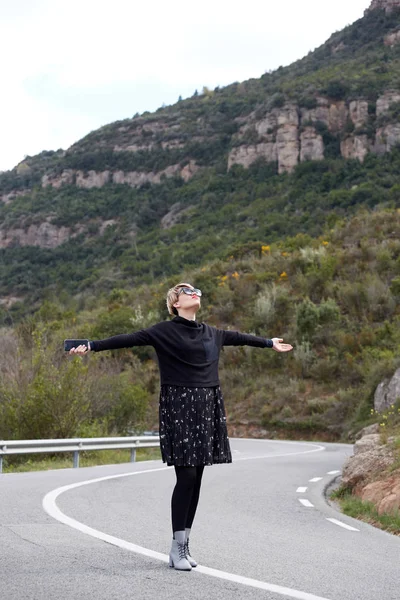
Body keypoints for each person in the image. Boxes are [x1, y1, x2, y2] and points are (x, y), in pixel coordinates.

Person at [69, 282, 293, 571]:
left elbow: (240, 338)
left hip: (208, 403)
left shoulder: (212, 333)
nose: (194, 294)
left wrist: (268, 342)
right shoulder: (163, 331)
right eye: (187, 291)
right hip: (180, 405)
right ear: (175, 302)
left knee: (197, 477)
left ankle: (184, 544)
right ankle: (176, 548)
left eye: (198, 291)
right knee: (186, 476)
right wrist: (92, 345)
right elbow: (129, 338)